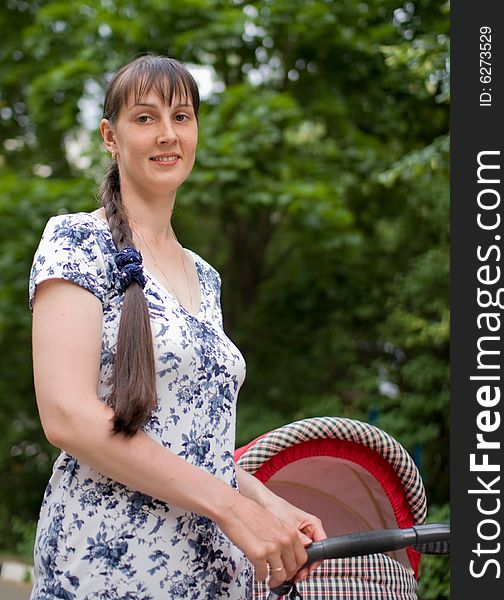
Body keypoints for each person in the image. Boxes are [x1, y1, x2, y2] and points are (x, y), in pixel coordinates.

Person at [29, 54, 326, 599]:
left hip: (212, 573)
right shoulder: (76, 243)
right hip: (111, 569)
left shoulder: (205, 277)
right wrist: (233, 508)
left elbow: (193, 443)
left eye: (182, 117)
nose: (167, 134)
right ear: (109, 136)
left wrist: (267, 505)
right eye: (145, 118)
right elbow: (67, 417)